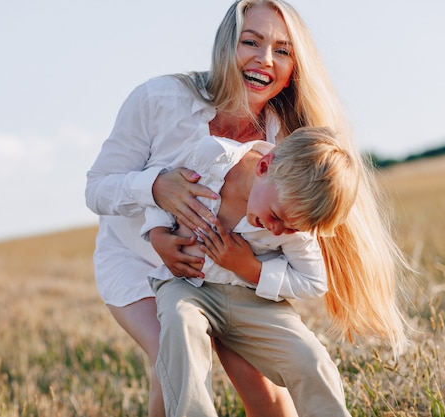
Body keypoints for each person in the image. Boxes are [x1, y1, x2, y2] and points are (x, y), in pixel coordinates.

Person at [86, 0, 409, 415]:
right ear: (226, 46)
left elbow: (302, 241)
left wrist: (250, 269)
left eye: (283, 50)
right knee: (172, 358)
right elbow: (96, 189)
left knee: (261, 385)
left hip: (233, 275)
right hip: (139, 258)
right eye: (251, 42)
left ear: (296, 66)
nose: (264, 59)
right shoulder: (159, 100)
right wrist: (157, 189)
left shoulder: (289, 139)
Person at [142, 127, 358, 416]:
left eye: (292, 229)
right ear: (264, 166)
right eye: (275, 217)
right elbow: (165, 187)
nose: (278, 230)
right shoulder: (211, 157)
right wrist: (157, 234)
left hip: (251, 298)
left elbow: (313, 282)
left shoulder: (292, 217)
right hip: (187, 286)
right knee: (181, 326)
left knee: (311, 358)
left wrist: (251, 269)